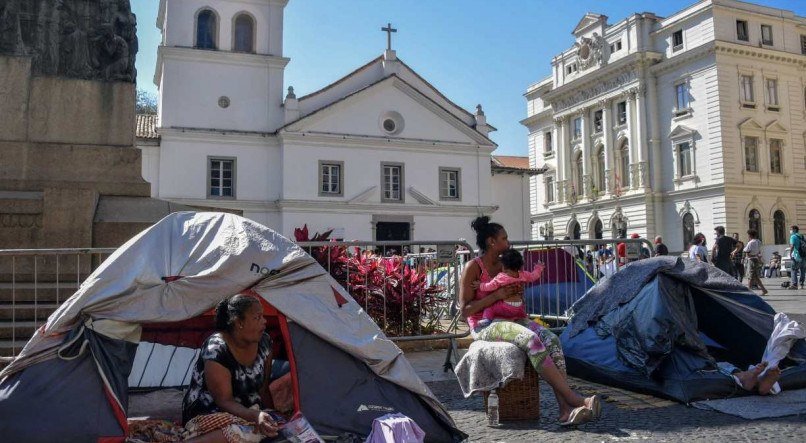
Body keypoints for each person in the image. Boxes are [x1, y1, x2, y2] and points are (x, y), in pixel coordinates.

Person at [459, 216, 601, 426]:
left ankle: (564, 410)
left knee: (552, 339)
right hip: (485, 324)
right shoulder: (473, 267)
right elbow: (465, 311)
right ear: (491, 242)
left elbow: (520, 287)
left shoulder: (508, 264)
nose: (508, 243)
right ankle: (573, 399)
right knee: (530, 339)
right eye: (504, 239)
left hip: (512, 318)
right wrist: (496, 297)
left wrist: (517, 296)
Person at [182, 295, 279, 442]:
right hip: (211, 412)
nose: (264, 321)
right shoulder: (216, 349)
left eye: (263, 316)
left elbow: (263, 389)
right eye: (257, 317)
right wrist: (254, 416)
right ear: (239, 322)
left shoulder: (265, 343)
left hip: (248, 410)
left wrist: (271, 414)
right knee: (238, 433)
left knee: (277, 428)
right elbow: (224, 400)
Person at [472, 248, 545, 327]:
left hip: (506, 306)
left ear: (504, 266)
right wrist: (539, 268)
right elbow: (534, 276)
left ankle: (486, 320)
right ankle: (525, 320)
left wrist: (480, 285)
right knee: (523, 317)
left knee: (489, 309)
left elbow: (490, 286)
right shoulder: (523, 275)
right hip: (519, 306)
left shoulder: (502, 277)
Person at [743, 229, 768, 296]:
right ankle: (764, 290)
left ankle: (749, 291)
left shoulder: (750, 242)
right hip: (756, 259)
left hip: (751, 260)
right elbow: (759, 251)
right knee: (755, 276)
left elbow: (747, 252)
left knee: (750, 276)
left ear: (750, 235)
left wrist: (750, 255)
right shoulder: (758, 241)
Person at [789, 225, 806, 290]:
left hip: (797, 256)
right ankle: (801, 284)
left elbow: (792, 246)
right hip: (803, 255)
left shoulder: (793, 236)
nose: (790, 231)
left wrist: (790, 253)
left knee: (794, 270)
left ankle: (794, 284)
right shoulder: (801, 236)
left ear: (794, 230)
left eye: (791, 229)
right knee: (802, 270)